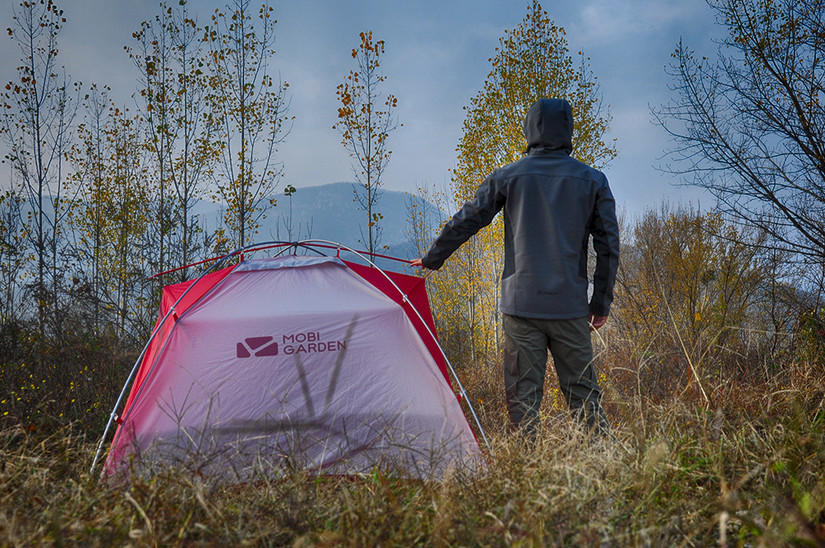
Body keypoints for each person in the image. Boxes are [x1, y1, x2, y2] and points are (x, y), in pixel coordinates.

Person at [411, 98, 619, 438]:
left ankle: (525, 471)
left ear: (530, 129)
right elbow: (609, 244)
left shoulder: (509, 176)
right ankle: (605, 465)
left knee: (522, 399)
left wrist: (434, 256)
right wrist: (600, 304)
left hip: (521, 306)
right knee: (584, 397)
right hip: (569, 308)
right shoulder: (593, 180)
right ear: (568, 130)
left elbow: (469, 218)